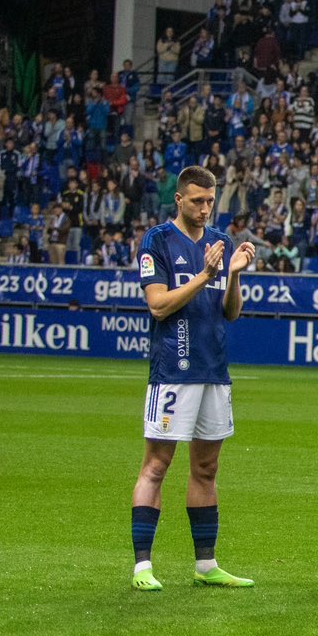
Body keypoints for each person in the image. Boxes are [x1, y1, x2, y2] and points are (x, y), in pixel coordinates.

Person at [131, 165, 256, 592]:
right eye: (198, 201)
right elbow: (159, 306)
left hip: (214, 372)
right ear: (179, 200)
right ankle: (142, 567)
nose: (206, 209)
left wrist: (233, 274)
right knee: (157, 465)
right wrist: (205, 274)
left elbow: (232, 313)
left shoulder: (222, 243)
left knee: (206, 467)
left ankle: (206, 565)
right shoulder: (158, 241)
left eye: (211, 201)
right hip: (172, 371)